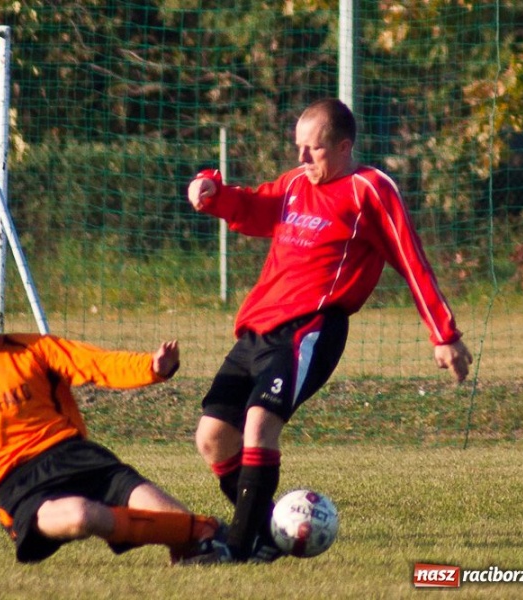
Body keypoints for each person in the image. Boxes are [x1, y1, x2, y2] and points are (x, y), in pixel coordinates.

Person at [185, 98, 472, 563]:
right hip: (258, 328)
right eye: (298, 147)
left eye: (313, 150)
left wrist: (444, 334)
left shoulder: (370, 190)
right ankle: (269, 530)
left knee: (259, 423)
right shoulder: (297, 184)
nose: (301, 159)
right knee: (213, 437)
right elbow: (255, 205)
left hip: (311, 329)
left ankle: (239, 549)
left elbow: (412, 261)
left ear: (343, 147)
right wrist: (212, 193)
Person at [0, 266, 224, 566]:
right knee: (81, 515)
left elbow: (95, 363)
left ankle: (200, 537)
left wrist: (153, 367)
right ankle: (207, 530)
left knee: (183, 526)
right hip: (22, 485)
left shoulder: (34, 348)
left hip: (77, 457)